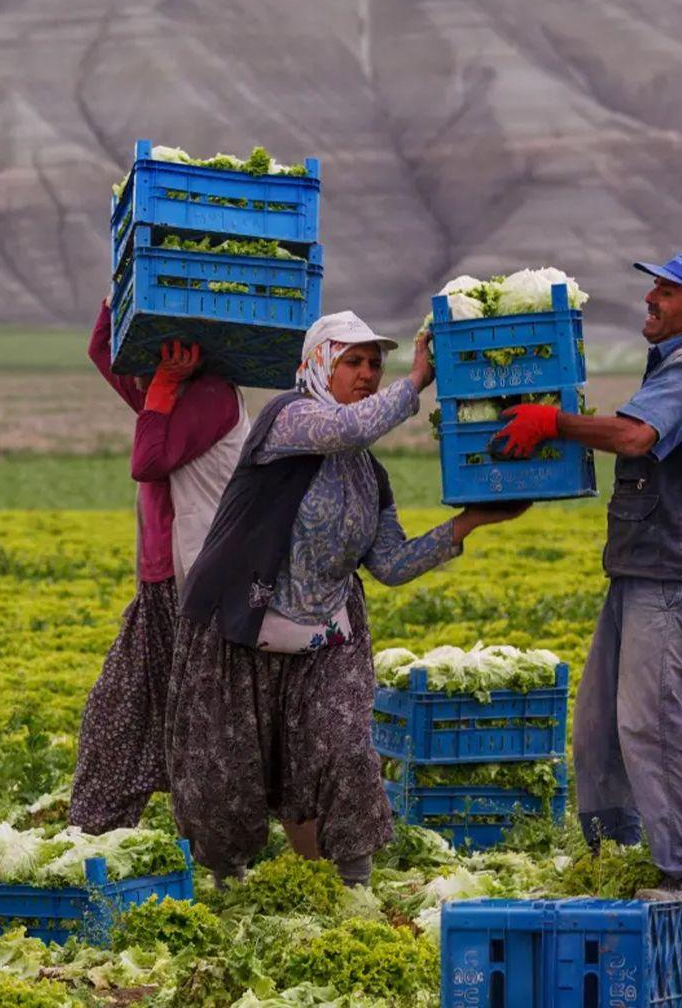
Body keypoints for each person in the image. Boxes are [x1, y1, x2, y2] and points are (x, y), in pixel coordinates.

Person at [166, 312, 527, 886]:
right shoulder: (287, 419)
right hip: (242, 628)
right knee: (229, 775)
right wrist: (414, 384)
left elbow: (390, 564)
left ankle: (355, 885)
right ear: (317, 365)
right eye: (352, 362)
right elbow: (347, 428)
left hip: (325, 637)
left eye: (374, 364)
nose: (366, 374)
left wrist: (470, 523)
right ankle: (225, 886)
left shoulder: (369, 475)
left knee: (345, 749)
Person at [491, 252, 682, 902]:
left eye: (667, 290)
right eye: (653, 286)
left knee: (652, 721)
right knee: (600, 722)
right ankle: (619, 854)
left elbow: (633, 437)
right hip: (639, 566)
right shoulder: (675, 363)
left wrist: (554, 423)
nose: (651, 298)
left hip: (671, 571)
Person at [71, 304, 248, 831]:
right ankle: (94, 835)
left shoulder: (213, 395)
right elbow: (102, 354)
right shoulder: (170, 393)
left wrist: (165, 387)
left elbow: (146, 461)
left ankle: (219, 847)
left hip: (194, 586)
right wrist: (115, 295)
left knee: (199, 722)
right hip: (159, 586)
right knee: (118, 712)